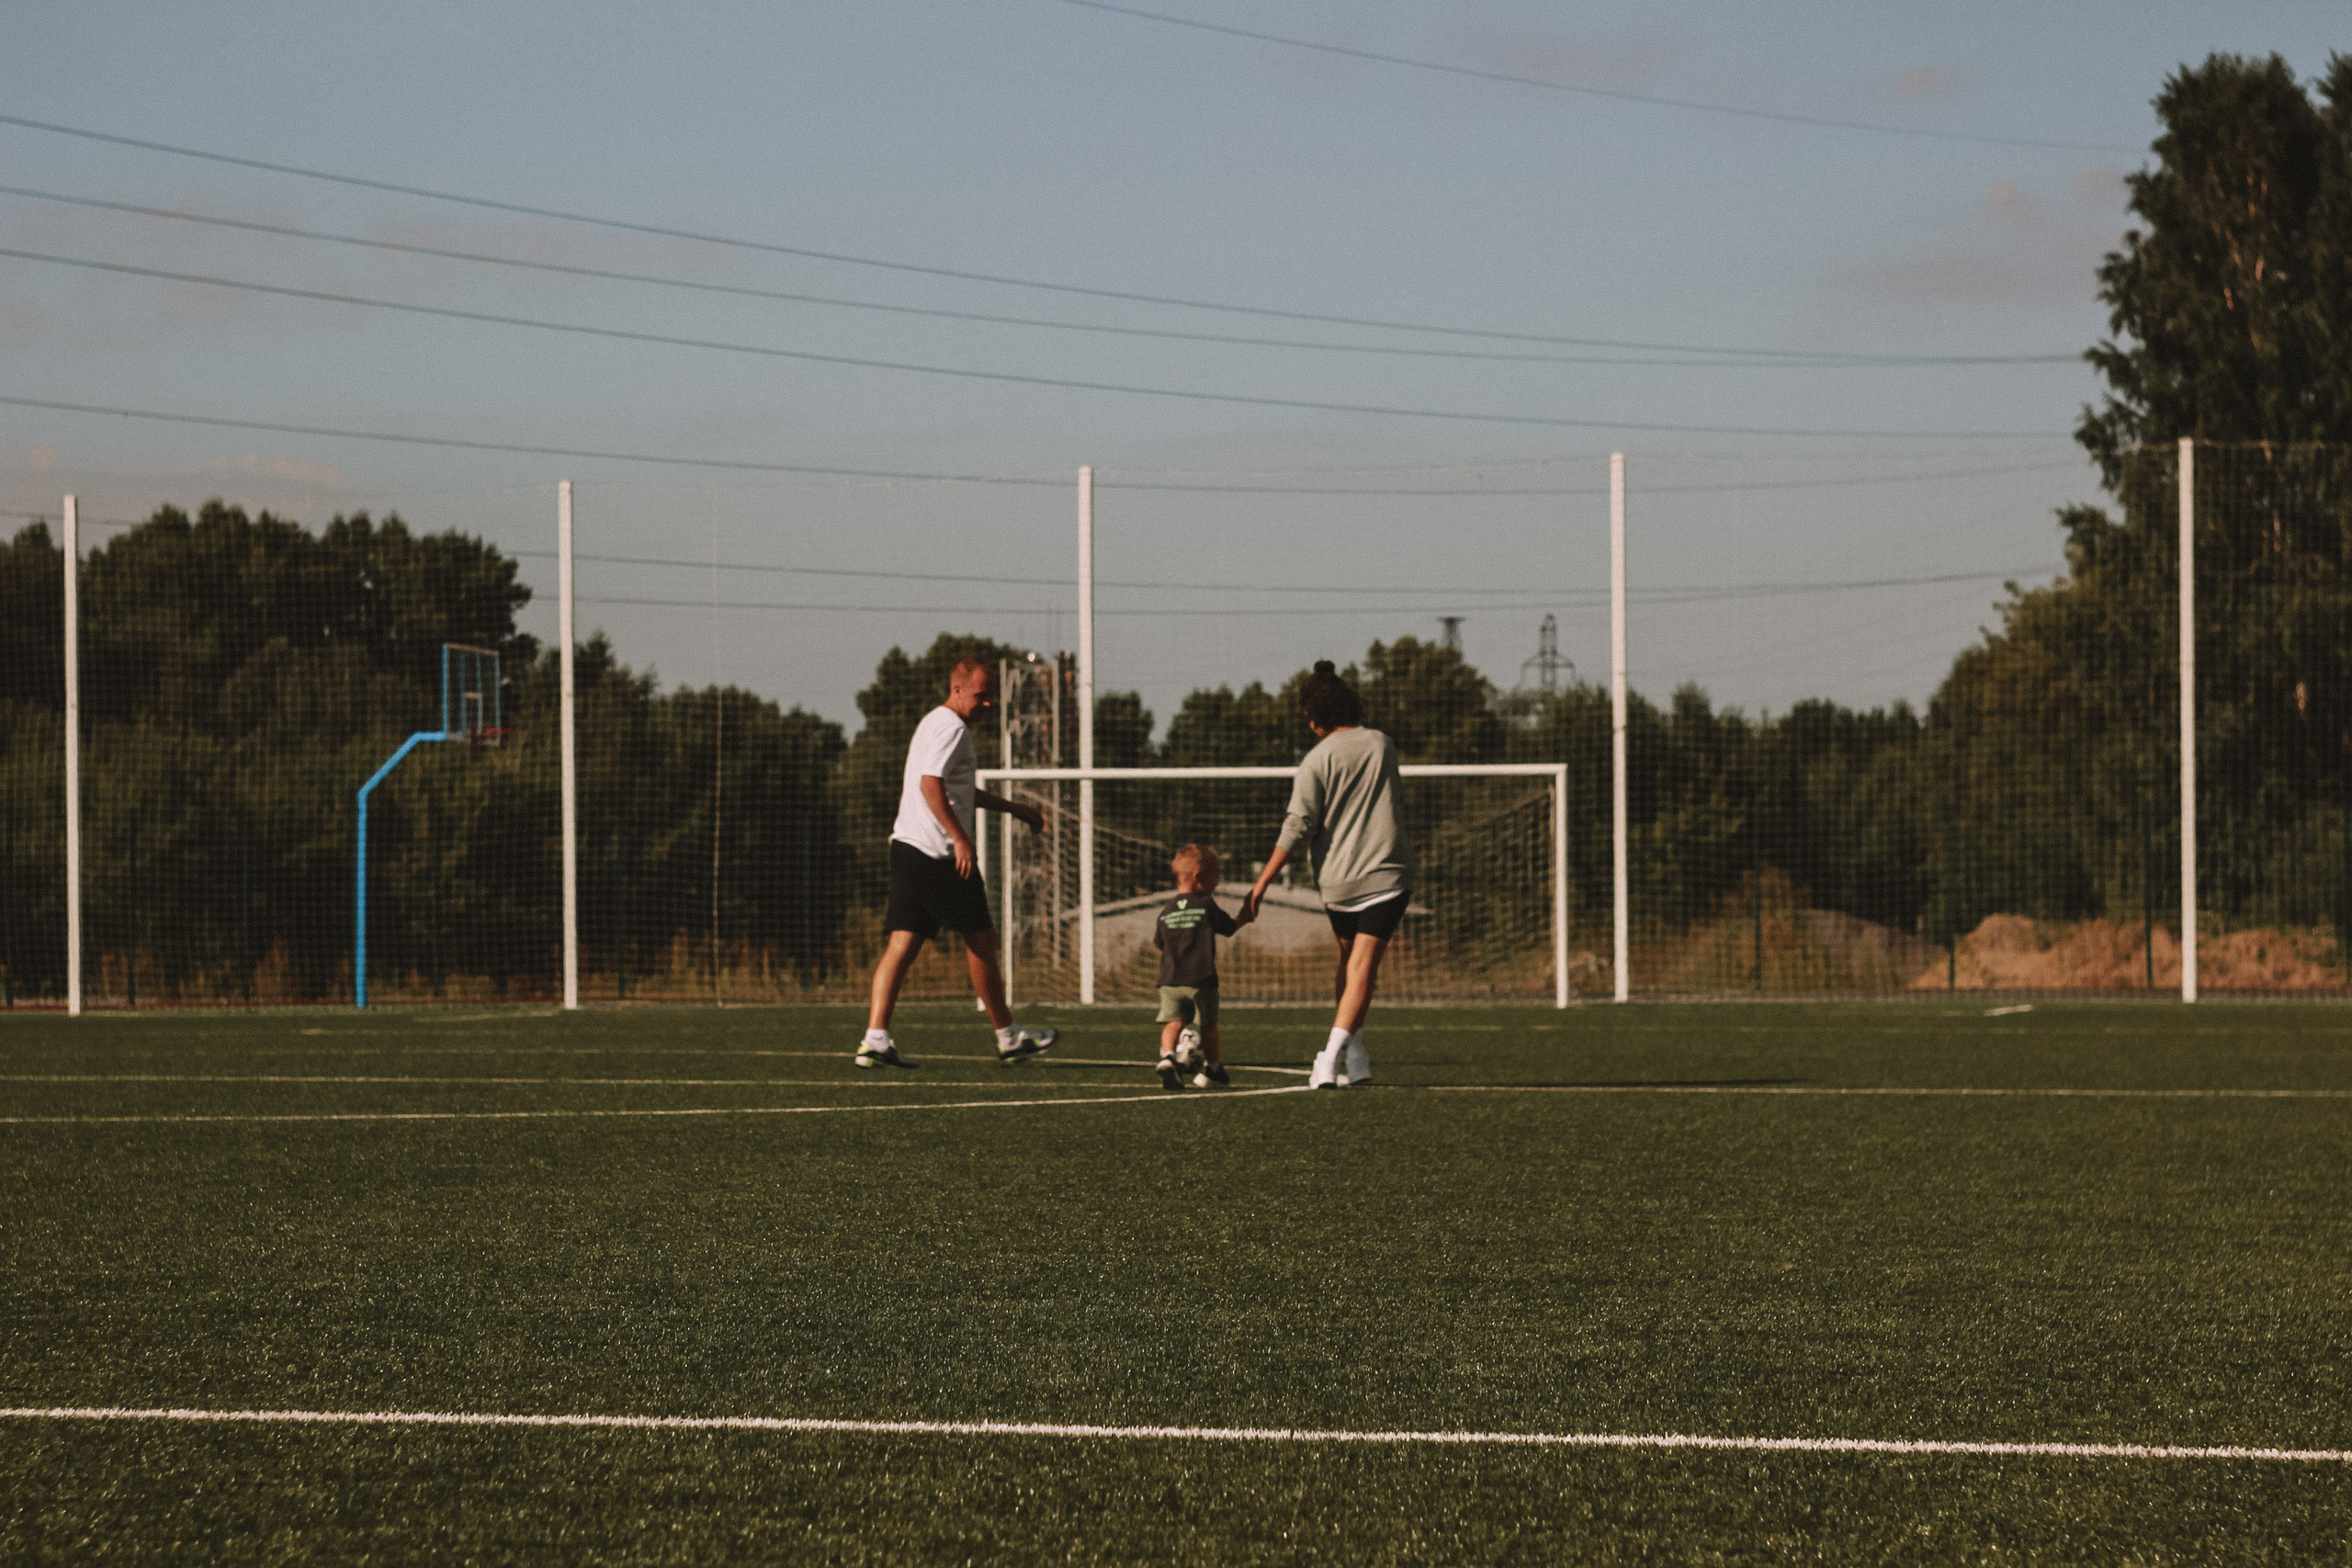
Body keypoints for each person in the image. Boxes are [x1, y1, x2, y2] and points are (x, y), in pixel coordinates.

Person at [857, 657, 1058, 1069]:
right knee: (981, 939)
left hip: (908, 849)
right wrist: (961, 839)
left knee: (902, 944)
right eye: (981, 696)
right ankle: (1008, 1037)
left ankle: (876, 1039)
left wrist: (1016, 809)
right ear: (957, 689)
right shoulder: (952, 728)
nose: (988, 704)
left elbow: (956, 791)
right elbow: (930, 785)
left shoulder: (932, 723)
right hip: (939, 855)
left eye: (991, 697)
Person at [1243, 661, 1412, 1089]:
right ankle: (1344, 1055)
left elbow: (1297, 825)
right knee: (1359, 969)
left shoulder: (1314, 760)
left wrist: (1261, 884)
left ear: (1317, 716)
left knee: (1355, 967)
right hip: (1386, 875)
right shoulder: (1382, 744)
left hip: (1339, 882)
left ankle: (1343, 1058)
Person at [1151, 844, 1252, 1090]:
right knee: (1208, 1025)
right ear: (1199, 876)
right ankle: (1213, 1069)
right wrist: (1245, 916)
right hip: (1201, 979)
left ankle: (1168, 1057)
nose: (1217, 882)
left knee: (1173, 1022)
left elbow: (1159, 943)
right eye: (1215, 876)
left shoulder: (1166, 911)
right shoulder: (1206, 904)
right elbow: (1228, 927)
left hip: (1169, 981)